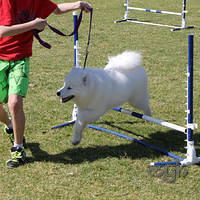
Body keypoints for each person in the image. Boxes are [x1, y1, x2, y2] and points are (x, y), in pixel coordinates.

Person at [0, 0, 92, 168]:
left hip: (20, 59)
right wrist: (33, 24)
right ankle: (10, 124)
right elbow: (2, 31)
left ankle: (18, 148)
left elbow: (55, 9)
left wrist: (78, 5)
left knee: (14, 103)